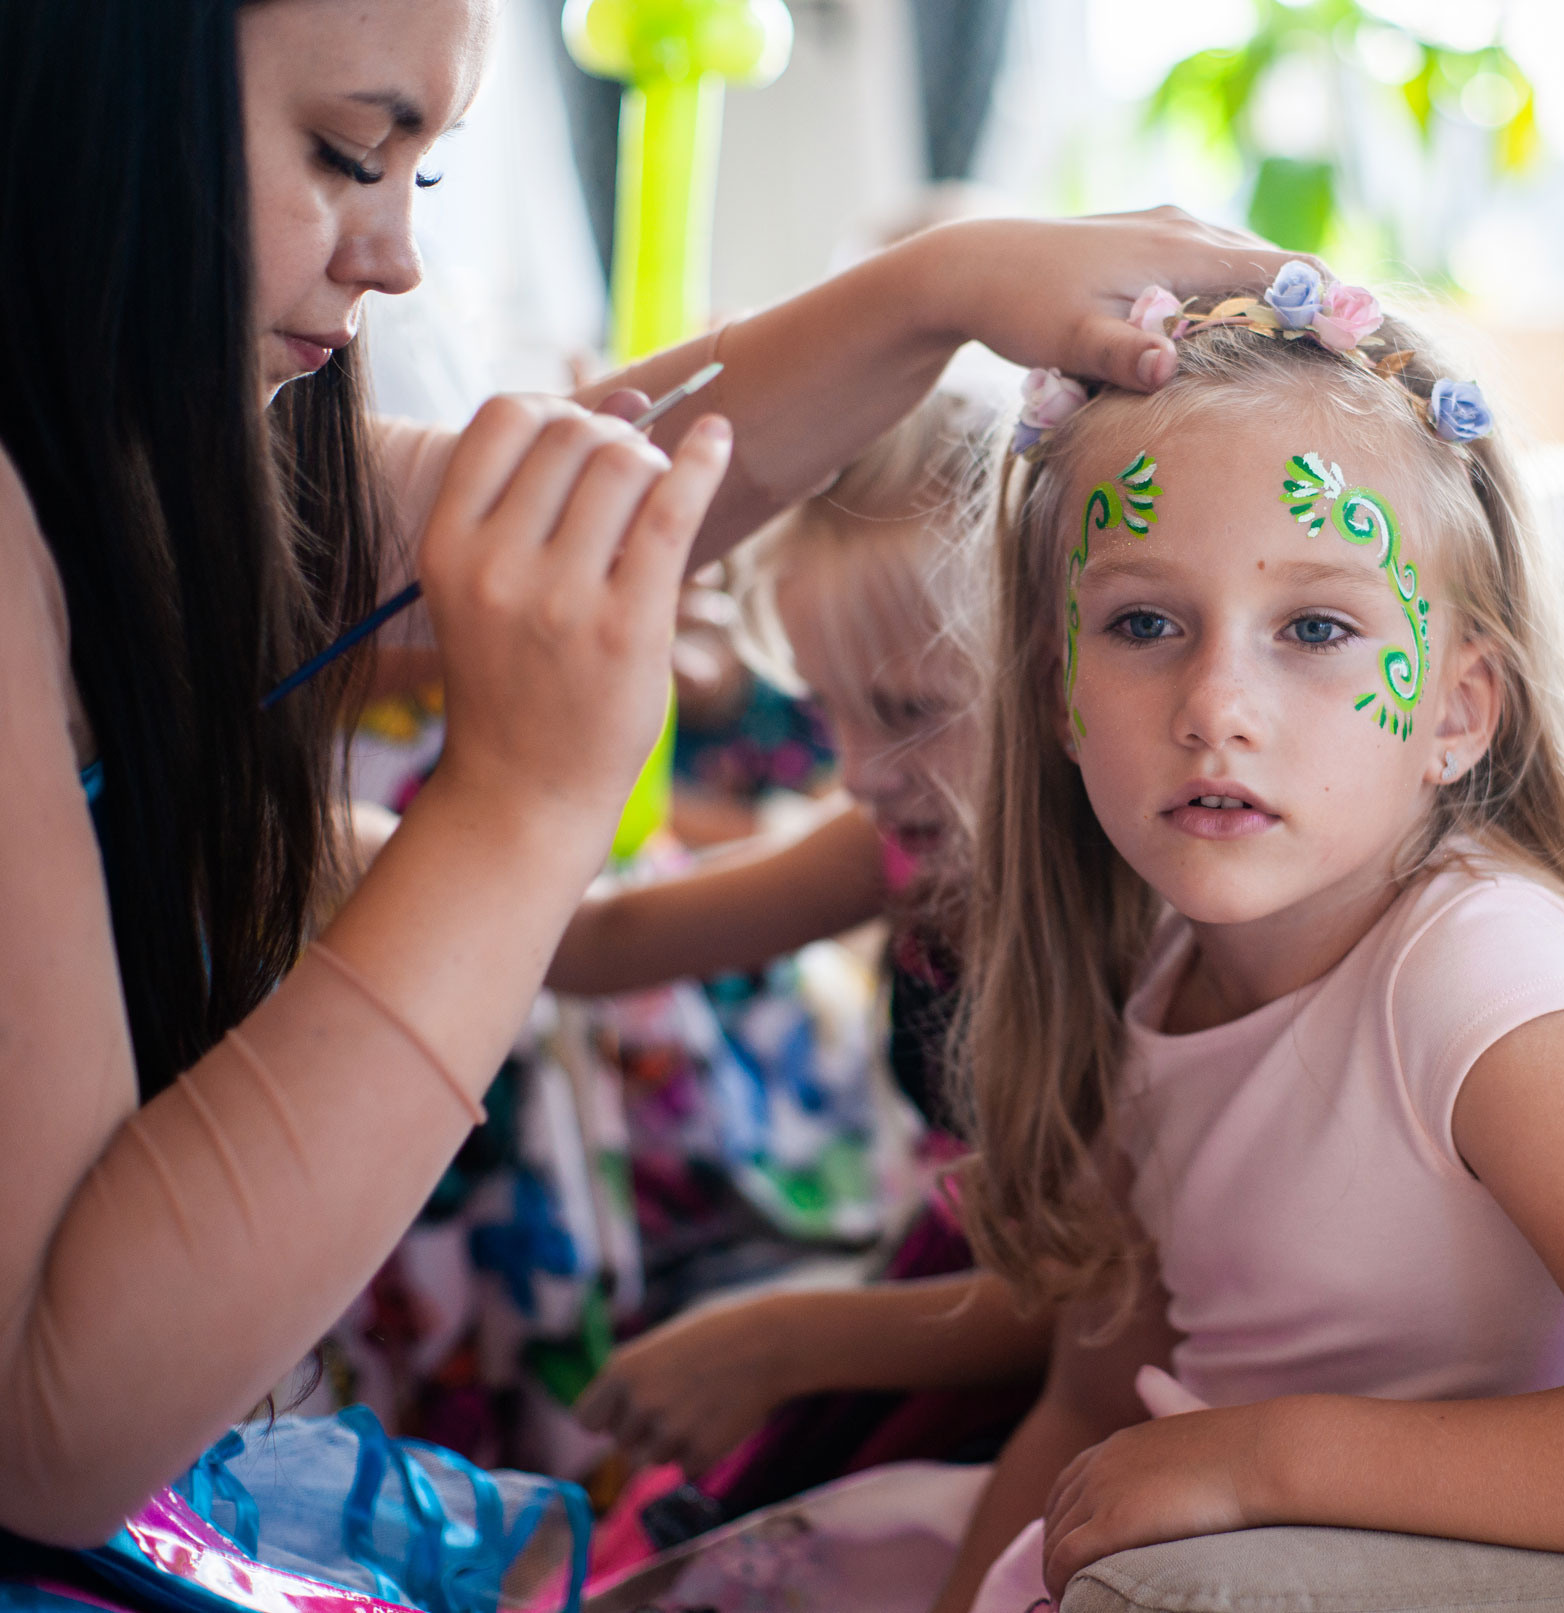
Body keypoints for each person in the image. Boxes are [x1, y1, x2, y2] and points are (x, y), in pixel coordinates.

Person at [0, 0, 1301, 1549]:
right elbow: (53, 1434)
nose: (395, 259)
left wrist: (937, 289)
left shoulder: (115, 472)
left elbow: (589, 496)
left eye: (420, 174)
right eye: (347, 152)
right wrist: (519, 801)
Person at [930, 271, 1564, 1612]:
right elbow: (1085, 1407)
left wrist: (1261, 1454)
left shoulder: (1485, 982)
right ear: (1057, 686)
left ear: (1456, 710)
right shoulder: (1163, 972)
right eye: (1143, 623)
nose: (1215, 706)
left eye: (1314, 628)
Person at [553, 392, 1052, 1528]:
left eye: (909, 709)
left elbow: (1111, 1307)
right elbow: (604, 940)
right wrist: (338, 846)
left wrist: (782, 1341)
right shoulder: (896, 841)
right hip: (927, 1296)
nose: (860, 772)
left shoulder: (1160, 927)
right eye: (830, 710)